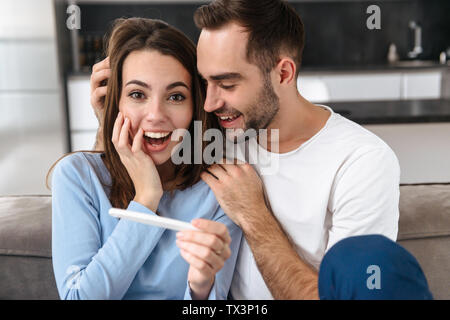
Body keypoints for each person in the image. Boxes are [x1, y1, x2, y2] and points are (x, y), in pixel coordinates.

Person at [90, 1, 400, 300]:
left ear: (283, 74)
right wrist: (108, 122)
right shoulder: (216, 135)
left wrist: (254, 216)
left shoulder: (362, 162)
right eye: (204, 82)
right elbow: (115, 183)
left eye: (227, 84)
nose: (210, 103)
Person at [50, 17, 242, 300]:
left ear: (195, 107)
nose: (155, 115)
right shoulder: (78, 176)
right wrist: (146, 197)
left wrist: (201, 286)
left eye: (176, 97)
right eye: (137, 94)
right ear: (116, 101)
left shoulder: (220, 189)